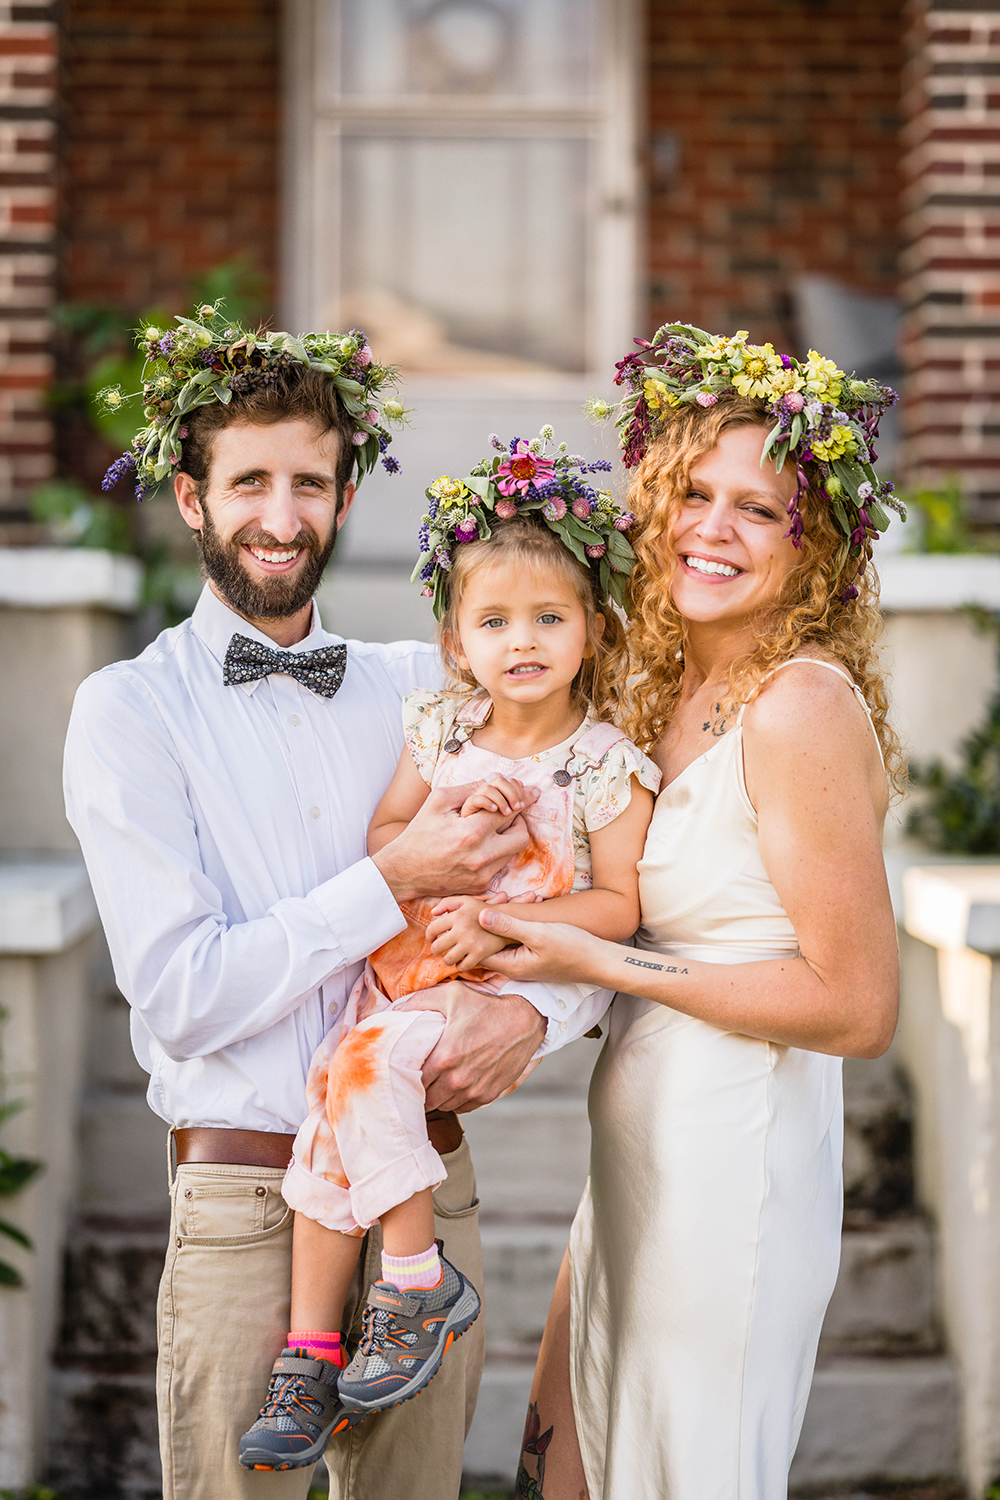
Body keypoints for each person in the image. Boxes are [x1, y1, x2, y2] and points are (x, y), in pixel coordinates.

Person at [62, 306, 610, 1500]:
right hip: (247, 1203)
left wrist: (536, 1018)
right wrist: (392, 882)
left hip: (428, 1190)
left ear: (347, 498)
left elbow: (584, 866)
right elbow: (185, 997)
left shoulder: (436, 690)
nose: (280, 514)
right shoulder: (130, 712)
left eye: (310, 482)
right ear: (192, 497)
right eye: (248, 479)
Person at [479, 325, 904, 1500]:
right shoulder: (668, 691)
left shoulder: (799, 709)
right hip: (635, 1164)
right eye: (696, 495)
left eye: (758, 511)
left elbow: (859, 1007)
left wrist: (602, 966)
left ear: (811, 546)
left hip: (733, 1178)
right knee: (559, 1469)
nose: (711, 530)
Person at [238, 438, 659, 1470]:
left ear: (594, 630)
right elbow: (387, 844)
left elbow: (619, 906)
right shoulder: (440, 731)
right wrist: (454, 828)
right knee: (324, 1139)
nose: (523, 641)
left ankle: (417, 1280)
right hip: (405, 965)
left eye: (549, 618)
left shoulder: (601, 761)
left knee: (362, 1071)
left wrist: (510, 922)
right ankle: (309, 1352)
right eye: (495, 620)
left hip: (484, 982)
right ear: (456, 640)